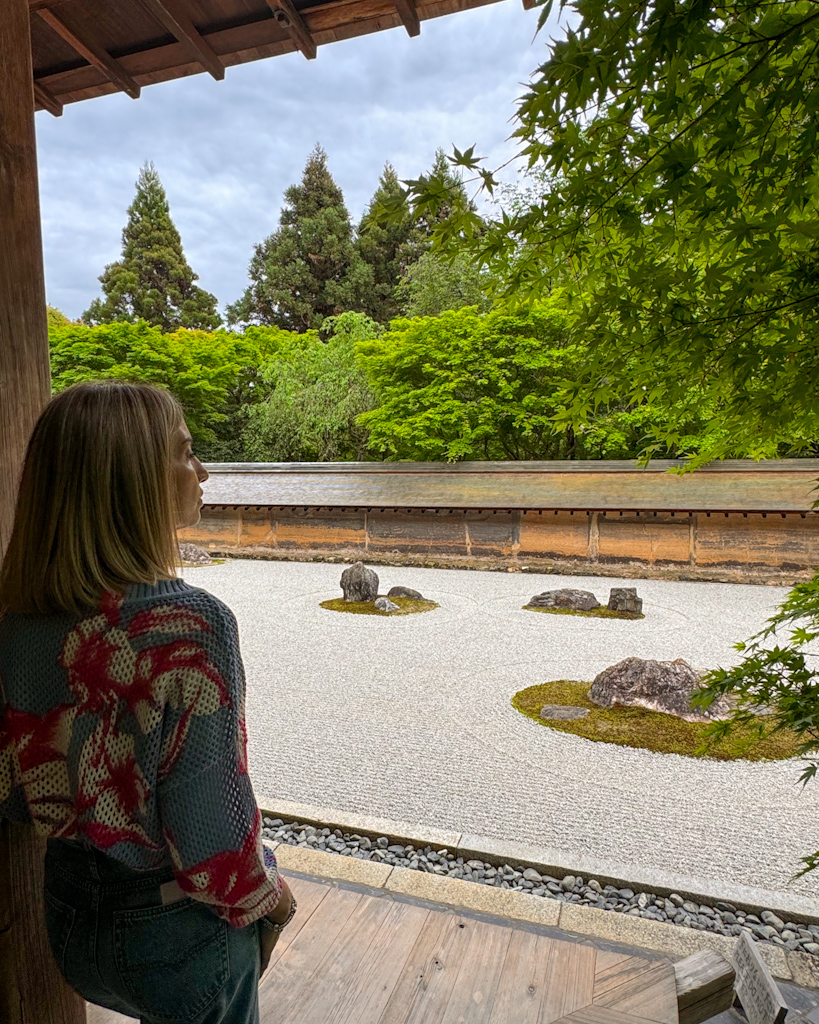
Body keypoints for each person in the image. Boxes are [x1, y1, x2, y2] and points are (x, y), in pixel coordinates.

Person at [0, 381, 294, 1024]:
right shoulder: (191, 626)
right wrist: (272, 899)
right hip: (173, 931)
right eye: (186, 453)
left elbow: (14, 790)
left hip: (69, 917)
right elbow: (211, 831)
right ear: (133, 480)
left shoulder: (17, 624)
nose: (204, 472)